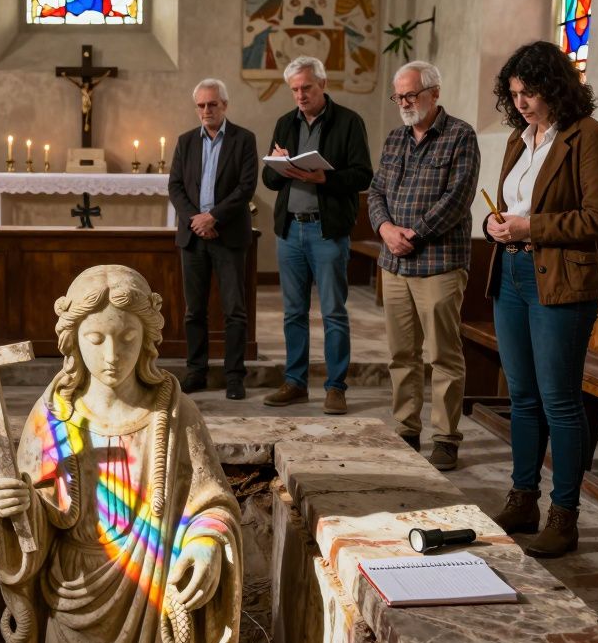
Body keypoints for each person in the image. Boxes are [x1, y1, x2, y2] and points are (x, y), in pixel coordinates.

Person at [0, 265, 242, 643]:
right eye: (96, 339)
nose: (112, 356)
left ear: (147, 341)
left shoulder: (175, 414)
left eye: (127, 339)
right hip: (74, 599)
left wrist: (205, 544)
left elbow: (210, 501)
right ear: (72, 342)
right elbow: (35, 524)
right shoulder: (51, 418)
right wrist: (15, 507)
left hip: (155, 593)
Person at [484, 41, 598, 558]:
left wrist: (530, 226)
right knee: (521, 397)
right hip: (513, 272)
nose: (521, 103)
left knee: (559, 401)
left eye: (531, 92)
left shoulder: (589, 138)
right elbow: (509, 206)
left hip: (561, 278)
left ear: (557, 87)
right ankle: (523, 500)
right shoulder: (521, 139)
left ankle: (565, 516)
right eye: (515, 93)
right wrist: (496, 224)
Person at [367, 61, 480, 471]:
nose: (404, 103)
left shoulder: (460, 135)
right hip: (393, 263)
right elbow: (376, 190)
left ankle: (447, 436)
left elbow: (458, 197)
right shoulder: (396, 138)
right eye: (399, 96)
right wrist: (384, 228)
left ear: (434, 93)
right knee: (401, 353)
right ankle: (406, 427)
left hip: (438, 262)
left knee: (443, 355)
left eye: (411, 95)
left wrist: (412, 233)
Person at [262, 56, 373, 413]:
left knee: (333, 312)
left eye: (306, 87)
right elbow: (269, 179)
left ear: (322, 84)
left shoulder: (348, 122)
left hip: (326, 231)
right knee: (294, 312)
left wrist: (326, 178)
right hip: (290, 230)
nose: (300, 95)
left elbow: (362, 175)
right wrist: (281, 165)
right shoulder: (285, 123)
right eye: (294, 89)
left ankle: (335, 387)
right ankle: (295, 382)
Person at [167, 78, 258, 401]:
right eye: (201, 105)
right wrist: (197, 219)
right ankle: (197, 371)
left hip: (228, 234)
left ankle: (234, 376)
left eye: (213, 104)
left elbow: (246, 187)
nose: (207, 110)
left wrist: (213, 217)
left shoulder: (243, 139)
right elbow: (175, 186)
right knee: (195, 311)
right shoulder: (186, 141)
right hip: (193, 237)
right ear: (197, 108)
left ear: (225, 106)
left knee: (235, 310)